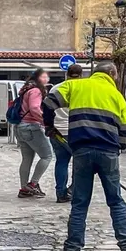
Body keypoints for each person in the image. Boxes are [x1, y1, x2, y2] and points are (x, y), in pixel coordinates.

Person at [43, 62, 126, 251]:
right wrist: (117, 152)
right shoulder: (118, 97)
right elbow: (124, 133)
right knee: (116, 202)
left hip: (81, 151)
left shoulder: (76, 86)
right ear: (112, 74)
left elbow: (48, 103)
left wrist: (49, 125)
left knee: (80, 203)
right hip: (108, 152)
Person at [17, 68, 53, 198]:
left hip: (20, 126)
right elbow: (34, 108)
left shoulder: (25, 89)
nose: (46, 79)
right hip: (31, 127)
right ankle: (32, 184)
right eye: (44, 77)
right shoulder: (36, 91)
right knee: (47, 155)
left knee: (26, 159)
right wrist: (45, 121)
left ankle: (23, 187)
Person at [48, 64, 82, 203]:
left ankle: (60, 192)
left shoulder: (55, 88)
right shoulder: (82, 89)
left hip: (56, 130)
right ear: (81, 75)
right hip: (75, 130)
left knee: (61, 162)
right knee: (78, 162)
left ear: (67, 74)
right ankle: (73, 190)